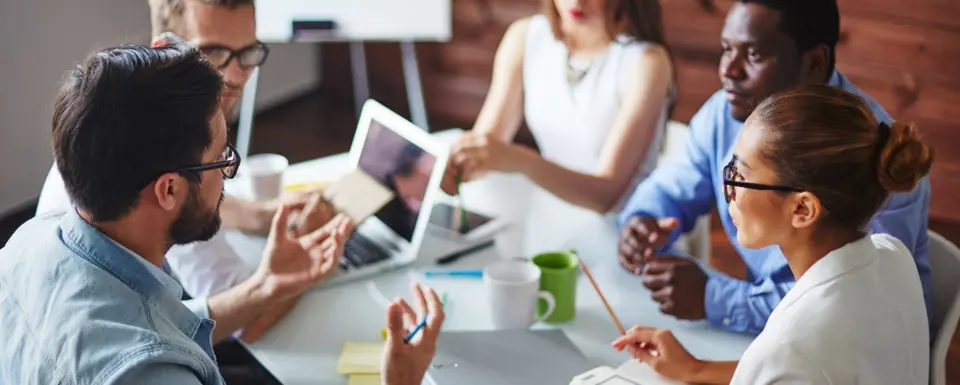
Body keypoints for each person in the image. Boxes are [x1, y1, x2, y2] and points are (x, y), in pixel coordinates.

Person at [0, 42, 443, 385]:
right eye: (222, 158)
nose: (229, 174)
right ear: (168, 189)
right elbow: (148, 348)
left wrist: (268, 286)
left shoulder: (30, 241)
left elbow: (165, 327)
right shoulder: (151, 375)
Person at [616, 0, 932, 334]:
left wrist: (715, 299)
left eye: (753, 55)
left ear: (813, 63)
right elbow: (670, 187)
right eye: (726, 49)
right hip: (778, 337)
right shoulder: (726, 113)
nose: (728, 70)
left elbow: (848, 307)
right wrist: (642, 220)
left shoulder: (871, 156)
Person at [35, 0, 323, 348]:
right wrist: (305, 256)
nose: (233, 77)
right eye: (212, 52)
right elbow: (246, 324)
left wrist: (261, 215)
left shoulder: (109, 114)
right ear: (164, 46)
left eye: (246, 52)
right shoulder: (169, 158)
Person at [611, 85, 931, 384]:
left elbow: (791, 363)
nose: (727, 189)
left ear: (802, 209)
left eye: (740, 175)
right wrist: (696, 368)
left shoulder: (791, 347)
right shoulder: (893, 255)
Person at [446, 0, 674, 215]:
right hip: (553, 215)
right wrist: (452, 167)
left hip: (629, 230)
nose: (576, 1)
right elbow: (487, 146)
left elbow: (605, 197)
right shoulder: (526, 37)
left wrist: (520, 161)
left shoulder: (647, 63)